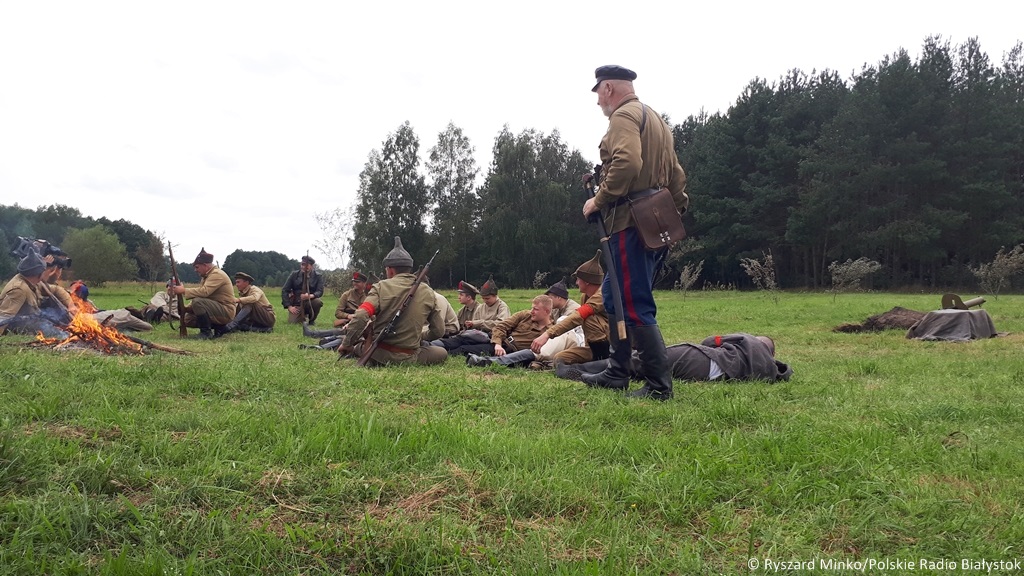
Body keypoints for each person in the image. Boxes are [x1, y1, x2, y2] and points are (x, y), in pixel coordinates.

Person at [580, 65, 689, 400]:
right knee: (613, 297)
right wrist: (673, 208)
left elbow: (627, 163)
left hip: (629, 223)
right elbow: (677, 176)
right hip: (653, 222)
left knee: (634, 301)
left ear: (609, 87)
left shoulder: (623, 117)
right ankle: (617, 370)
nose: (598, 101)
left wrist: (598, 200)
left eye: (598, 92)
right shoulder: (656, 120)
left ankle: (659, 387)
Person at [338, 236, 447, 366]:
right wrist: (419, 337)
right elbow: (439, 331)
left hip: (378, 353)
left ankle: (357, 350)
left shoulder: (380, 287)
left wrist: (347, 344)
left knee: (359, 347)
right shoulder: (428, 291)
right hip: (409, 356)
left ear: (390, 270)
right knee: (441, 352)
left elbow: (361, 315)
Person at [557, 333, 792, 385]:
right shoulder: (771, 370)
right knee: (644, 368)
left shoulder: (746, 340)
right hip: (710, 376)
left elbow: (711, 341)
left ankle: (574, 370)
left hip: (702, 359)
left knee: (640, 358)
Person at [531, 250, 610, 366]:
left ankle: (603, 362)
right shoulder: (585, 296)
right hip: (592, 347)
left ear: (587, 282)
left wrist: (547, 334)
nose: (576, 282)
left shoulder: (602, 295)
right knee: (560, 358)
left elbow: (579, 315)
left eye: (578, 279)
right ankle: (590, 365)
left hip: (613, 345)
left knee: (588, 317)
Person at [431, 275, 512, 356]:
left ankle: (441, 352)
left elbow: (501, 325)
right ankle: (432, 345)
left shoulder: (502, 307)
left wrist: (479, 323)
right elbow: (474, 326)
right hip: (478, 336)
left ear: (495, 296)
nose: (485, 301)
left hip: (492, 339)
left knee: (464, 348)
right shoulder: (481, 307)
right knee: (459, 340)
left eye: (487, 298)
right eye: (483, 298)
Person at [465, 295, 553, 368]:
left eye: (536, 309)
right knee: (465, 338)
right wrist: (498, 344)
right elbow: (501, 326)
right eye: (532, 308)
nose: (532, 312)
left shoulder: (551, 332)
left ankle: (480, 361)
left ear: (546, 311)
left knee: (464, 348)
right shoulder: (525, 315)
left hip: (514, 352)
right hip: (500, 342)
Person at [168, 248, 236, 339]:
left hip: (226, 310)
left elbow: (204, 292)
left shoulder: (217, 274)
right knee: (187, 320)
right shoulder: (207, 276)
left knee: (198, 302)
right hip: (217, 308)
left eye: (197, 267)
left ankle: (206, 333)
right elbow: (201, 295)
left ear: (205, 265)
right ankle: (219, 328)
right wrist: (186, 309)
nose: (196, 270)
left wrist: (184, 290)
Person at [0, 251, 68, 338]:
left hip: (35, 320)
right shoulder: (19, 289)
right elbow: (4, 317)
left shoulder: (31, 280)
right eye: (44, 270)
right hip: (23, 325)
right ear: (38, 274)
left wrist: (71, 306)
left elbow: (56, 289)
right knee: (62, 335)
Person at [282, 255, 324, 325]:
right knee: (293, 322)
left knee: (318, 302)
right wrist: (289, 306)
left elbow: (320, 291)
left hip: (310, 302)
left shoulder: (318, 276)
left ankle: (311, 320)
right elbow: (285, 290)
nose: (303, 267)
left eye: (306, 265)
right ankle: (302, 315)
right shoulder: (294, 275)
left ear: (311, 266)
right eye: (302, 264)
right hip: (296, 303)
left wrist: (311, 296)